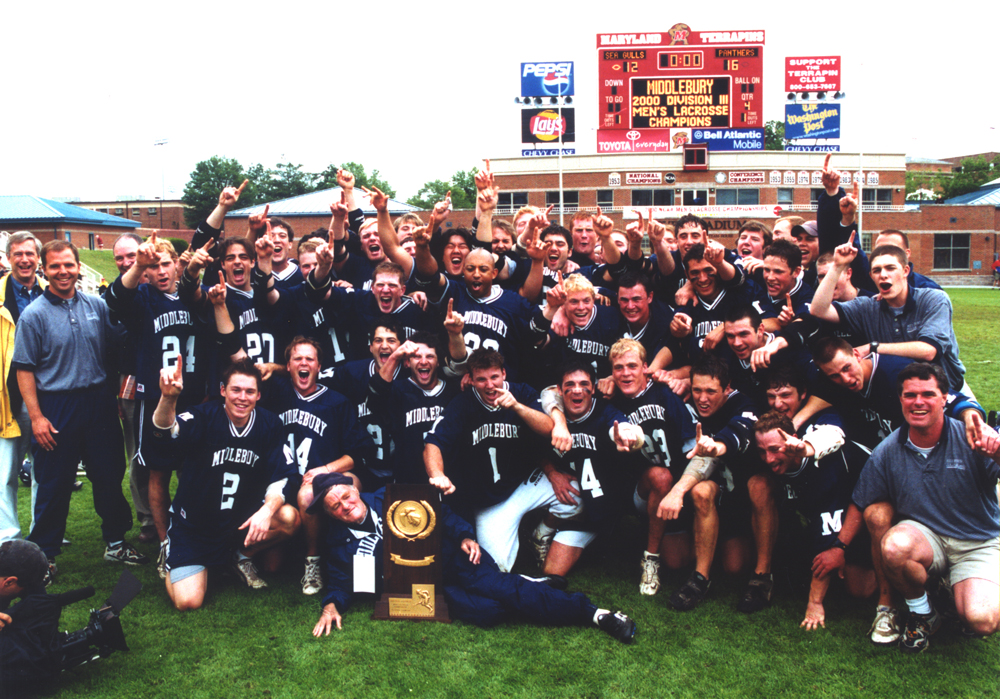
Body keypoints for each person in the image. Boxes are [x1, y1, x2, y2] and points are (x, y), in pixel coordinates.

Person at [306, 473, 637, 643]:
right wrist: (331, 604)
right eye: (335, 506)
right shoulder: (338, 543)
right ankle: (530, 585)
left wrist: (465, 536)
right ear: (330, 514)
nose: (345, 506)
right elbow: (342, 583)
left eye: (345, 496)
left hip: (453, 558)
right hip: (426, 590)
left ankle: (596, 614)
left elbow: (444, 515)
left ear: (354, 489)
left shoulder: (393, 498)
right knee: (488, 612)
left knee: (504, 589)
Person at [13, 241, 145, 576]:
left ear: (77, 266)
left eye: (69, 265)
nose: (63, 272)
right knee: (54, 483)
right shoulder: (34, 315)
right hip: (56, 406)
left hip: (98, 403)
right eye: (55, 266)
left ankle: (115, 542)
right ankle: (44, 556)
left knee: (108, 476)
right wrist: (37, 417)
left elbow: (116, 347)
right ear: (44, 270)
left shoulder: (95, 305)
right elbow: (24, 369)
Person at [852, 362, 999, 652]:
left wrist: (996, 453)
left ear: (945, 399)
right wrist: (838, 547)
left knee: (981, 621)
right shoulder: (887, 451)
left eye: (928, 394)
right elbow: (861, 501)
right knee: (894, 546)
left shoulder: (972, 437)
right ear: (900, 400)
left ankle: (953, 589)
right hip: (927, 538)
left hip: (977, 541)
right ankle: (924, 613)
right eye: (910, 395)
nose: (918, 402)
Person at [150, 358, 300, 609]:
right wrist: (168, 398)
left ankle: (240, 556)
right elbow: (167, 432)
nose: (242, 398)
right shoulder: (203, 416)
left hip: (238, 522)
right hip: (197, 527)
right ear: (222, 391)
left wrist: (266, 511)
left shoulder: (269, 424)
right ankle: (175, 555)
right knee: (188, 602)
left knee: (289, 518)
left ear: (258, 395)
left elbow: (282, 476)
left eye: (249, 391)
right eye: (236, 390)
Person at [424, 349, 573, 573]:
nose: (490, 385)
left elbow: (548, 428)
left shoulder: (521, 392)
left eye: (494, 377)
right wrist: (437, 474)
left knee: (576, 497)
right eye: (481, 379)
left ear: (504, 373)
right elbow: (433, 442)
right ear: (471, 380)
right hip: (489, 500)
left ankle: (540, 533)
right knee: (496, 566)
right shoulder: (463, 404)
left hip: (522, 484)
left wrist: (516, 406)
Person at [263, 337, 373, 596]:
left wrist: (325, 469)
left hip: (323, 481)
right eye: (297, 359)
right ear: (287, 366)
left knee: (307, 494)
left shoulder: (336, 402)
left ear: (319, 366)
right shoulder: (276, 395)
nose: (304, 364)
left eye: (309, 359)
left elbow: (358, 453)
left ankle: (313, 560)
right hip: (287, 480)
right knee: (271, 566)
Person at [753, 411, 876, 631]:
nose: (768, 459)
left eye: (774, 449)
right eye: (762, 452)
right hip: (843, 507)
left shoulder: (823, 466)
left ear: (793, 440)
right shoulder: (777, 463)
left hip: (880, 502)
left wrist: (814, 602)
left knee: (861, 589)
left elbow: (828, 544)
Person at [810, 234, 968, 394]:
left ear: (906, 271)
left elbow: (928, 351)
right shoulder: (867, 306)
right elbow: (818, 310)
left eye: (890, 268)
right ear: (871, 277)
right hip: (903, 393)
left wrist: (873, 347)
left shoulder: (933, 299)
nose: (883, 275)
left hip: (949, 390)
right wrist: (837, 266)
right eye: (876, 270)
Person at [607, 339, 697, 594]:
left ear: (645, 367)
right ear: (612, 373)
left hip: (677, 487)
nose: (625, 373)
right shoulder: (613, 402)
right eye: (618, 368)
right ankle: (650, 557)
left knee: (678, 561)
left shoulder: (665, 395)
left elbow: (691, 448)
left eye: (632, 366)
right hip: (644, 489)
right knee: (660, 476)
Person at [0, 233, 45, 542]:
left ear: (38, 258)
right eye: (18, 254)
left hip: (46, 396)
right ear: (8, 258)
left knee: (45, 471)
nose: (25, 259)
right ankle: (8, 538)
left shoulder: (51, 292)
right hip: (6, 398)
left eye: (30, 253)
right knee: (5, 473)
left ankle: (42, 533)